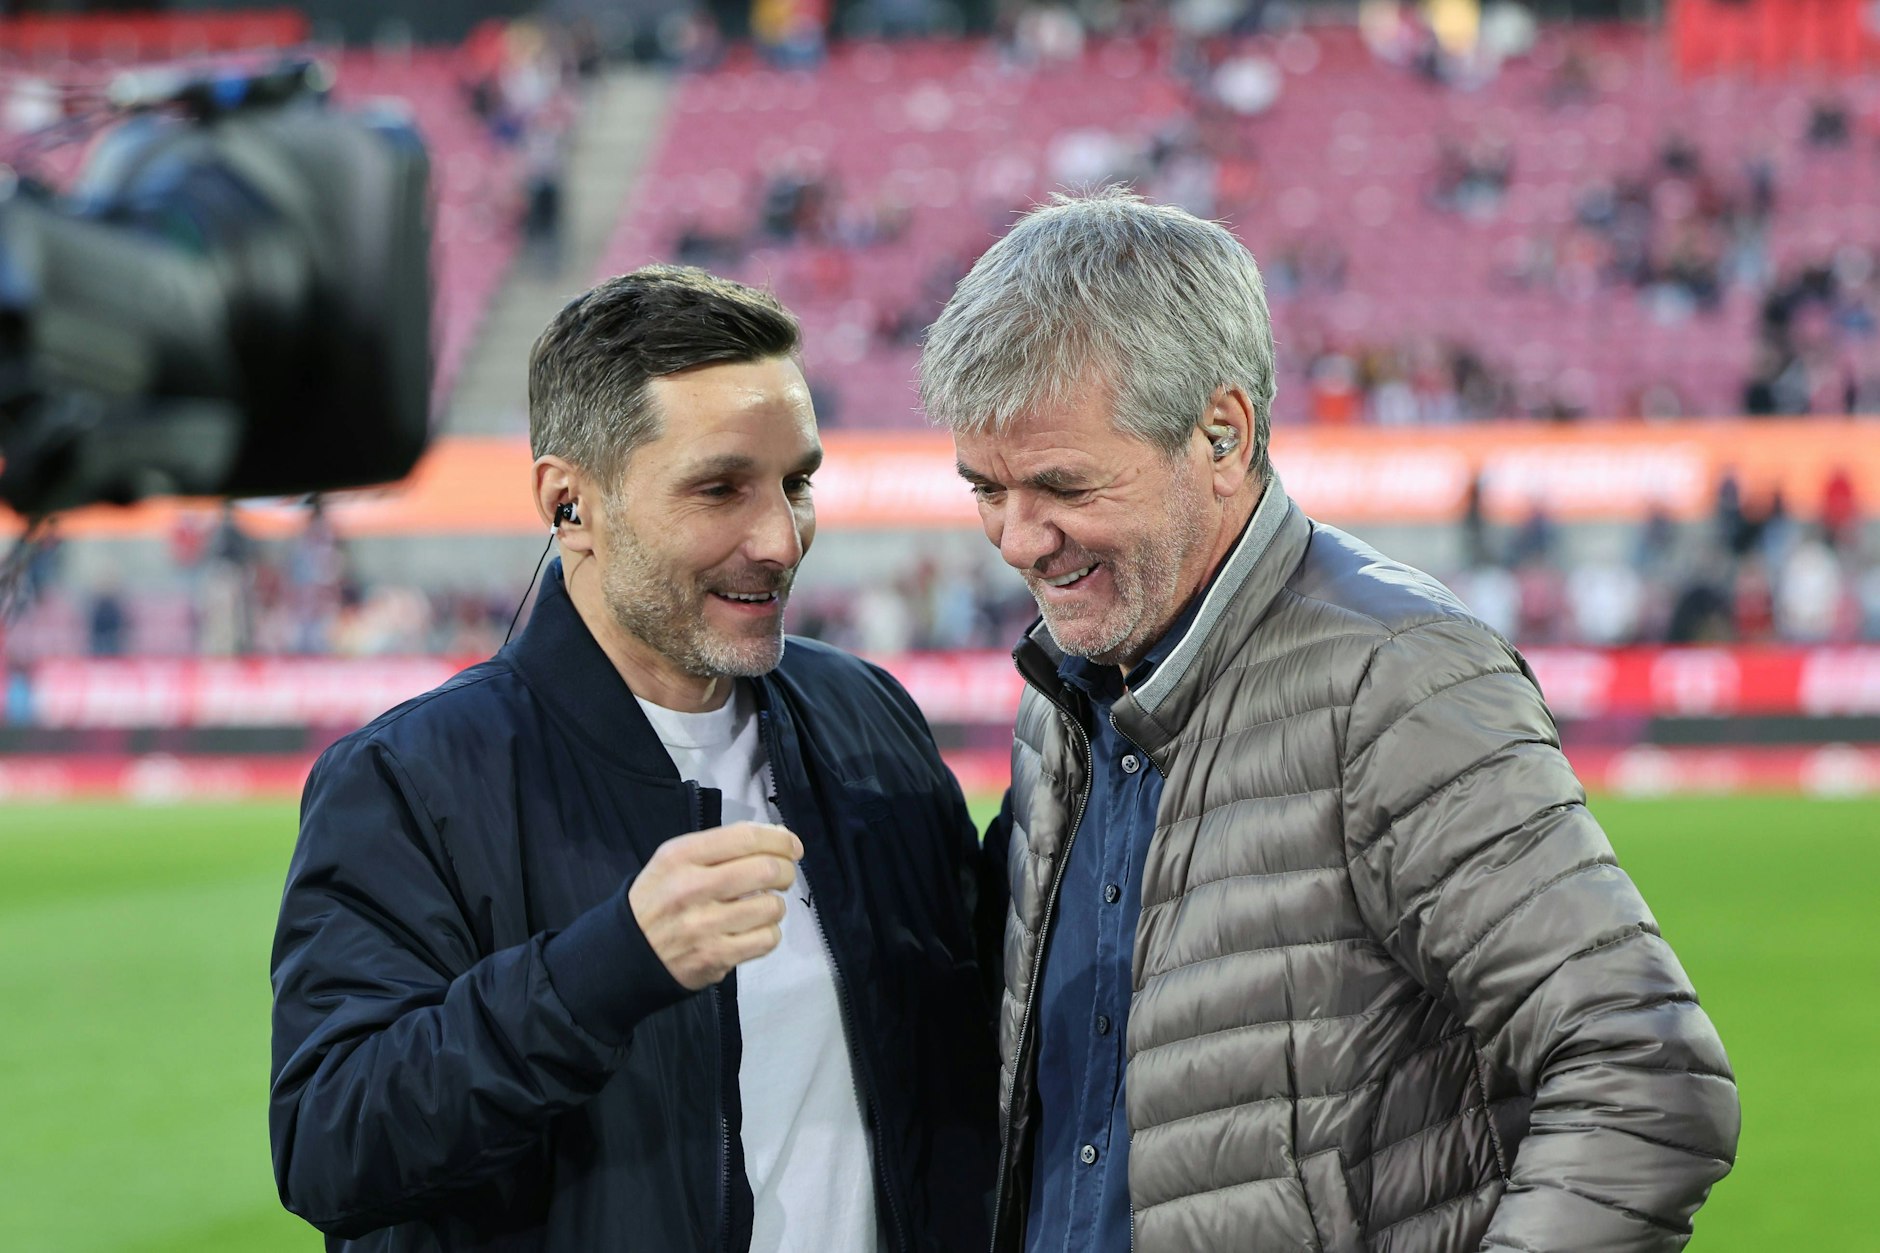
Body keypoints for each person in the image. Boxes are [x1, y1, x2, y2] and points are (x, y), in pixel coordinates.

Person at [919, 190, 1739, 1253]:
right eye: (983, 487)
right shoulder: (1067, 694)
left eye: (1060, 484)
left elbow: (1643, 1071)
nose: (1017, 538)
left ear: (1222, 432)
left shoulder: (1393, 677)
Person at [270, 266, 999, 1251]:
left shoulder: (865, 718)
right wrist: (603, 967)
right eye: (719, 488)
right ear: (569, 502)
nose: (780, 538)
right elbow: (331, 1140)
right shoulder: (409, 780)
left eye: (796, 483)